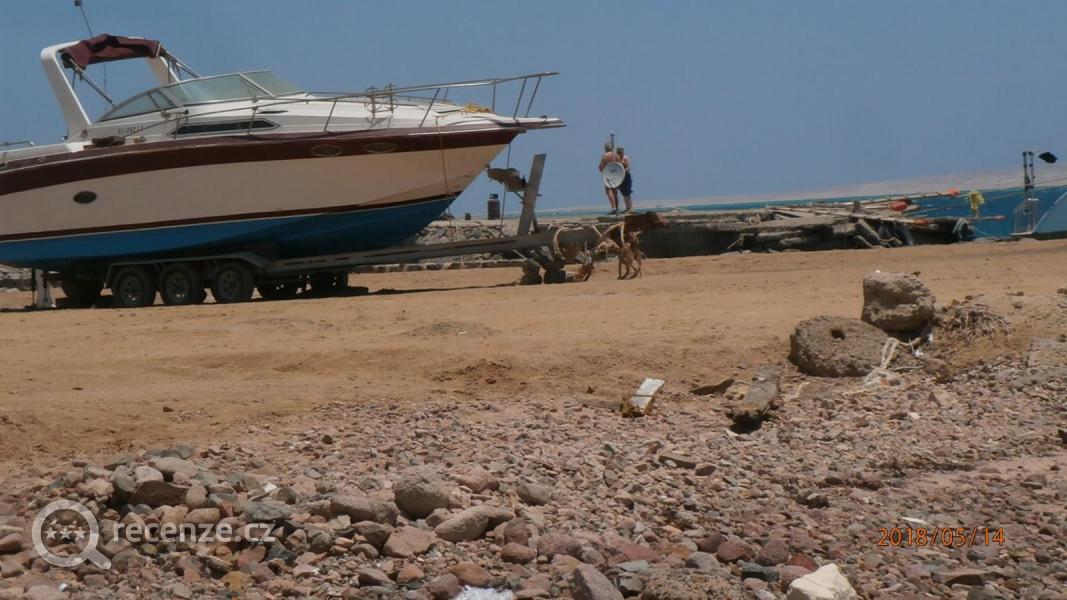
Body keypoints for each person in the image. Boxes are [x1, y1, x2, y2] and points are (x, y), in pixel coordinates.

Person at [598, 142, 619, 214]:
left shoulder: (605, 156)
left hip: (608, 174)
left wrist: (601, 169)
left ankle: (613, 208)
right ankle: (617, 207)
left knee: (608, 190)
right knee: (615, 191)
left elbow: (601, 167)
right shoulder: (616, 155)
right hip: (616, 174)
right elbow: (619, 165)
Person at [616, 147, 634, 213]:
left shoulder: (625, 158)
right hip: (620, 177)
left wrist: (623, 171)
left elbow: (628, 168)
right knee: (623, 192)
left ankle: (630, 208)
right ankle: (627, 208)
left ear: (623, 152)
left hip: (626, 176)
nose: (619, 153)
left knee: (627, 192)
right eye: (618, 152)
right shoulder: (617, 159)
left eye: (620, 152)